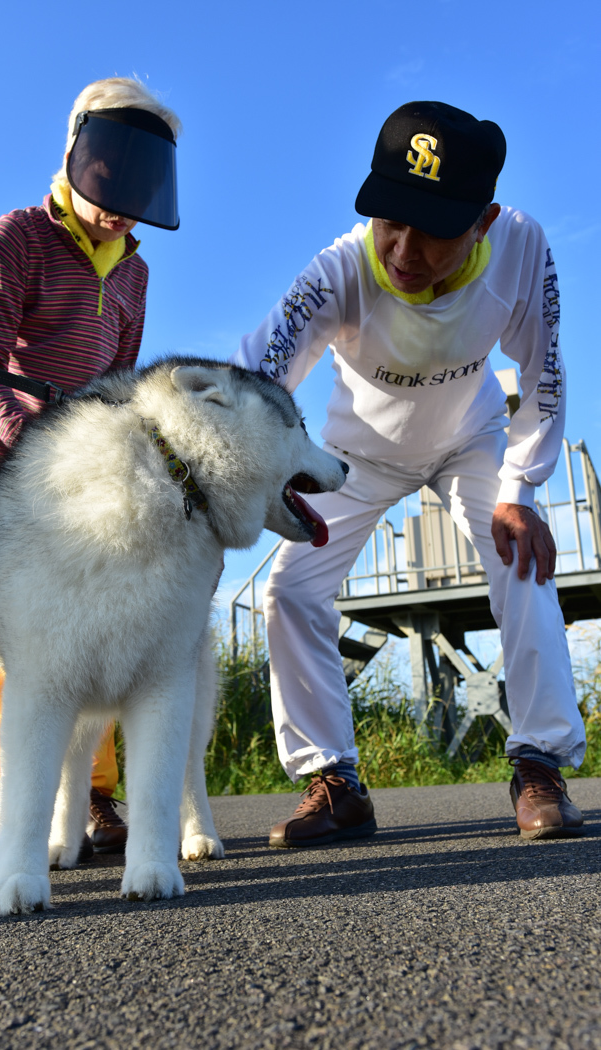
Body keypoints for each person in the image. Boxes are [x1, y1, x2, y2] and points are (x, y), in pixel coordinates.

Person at [233, 100, 586, 846]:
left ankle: (540, 762)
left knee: (522, 560)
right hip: (356, 454)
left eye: (432, 228)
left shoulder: (522, 247)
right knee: (289, 590)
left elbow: (545, 372)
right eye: (391, 218)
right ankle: (335, 781)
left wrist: (521, 489)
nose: (403, 248)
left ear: (483, 221)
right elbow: (255, 378)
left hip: (471, 438)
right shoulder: (340, 269)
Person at [0, 75, 181, 856]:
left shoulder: (136, 273)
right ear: (79, 154)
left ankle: (91, 796)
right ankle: (22, 790)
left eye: (144, 184)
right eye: (114, 176)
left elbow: (120, 380)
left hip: (84, 485)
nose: (123, 202)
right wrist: (29, 438)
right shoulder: (17, 235)